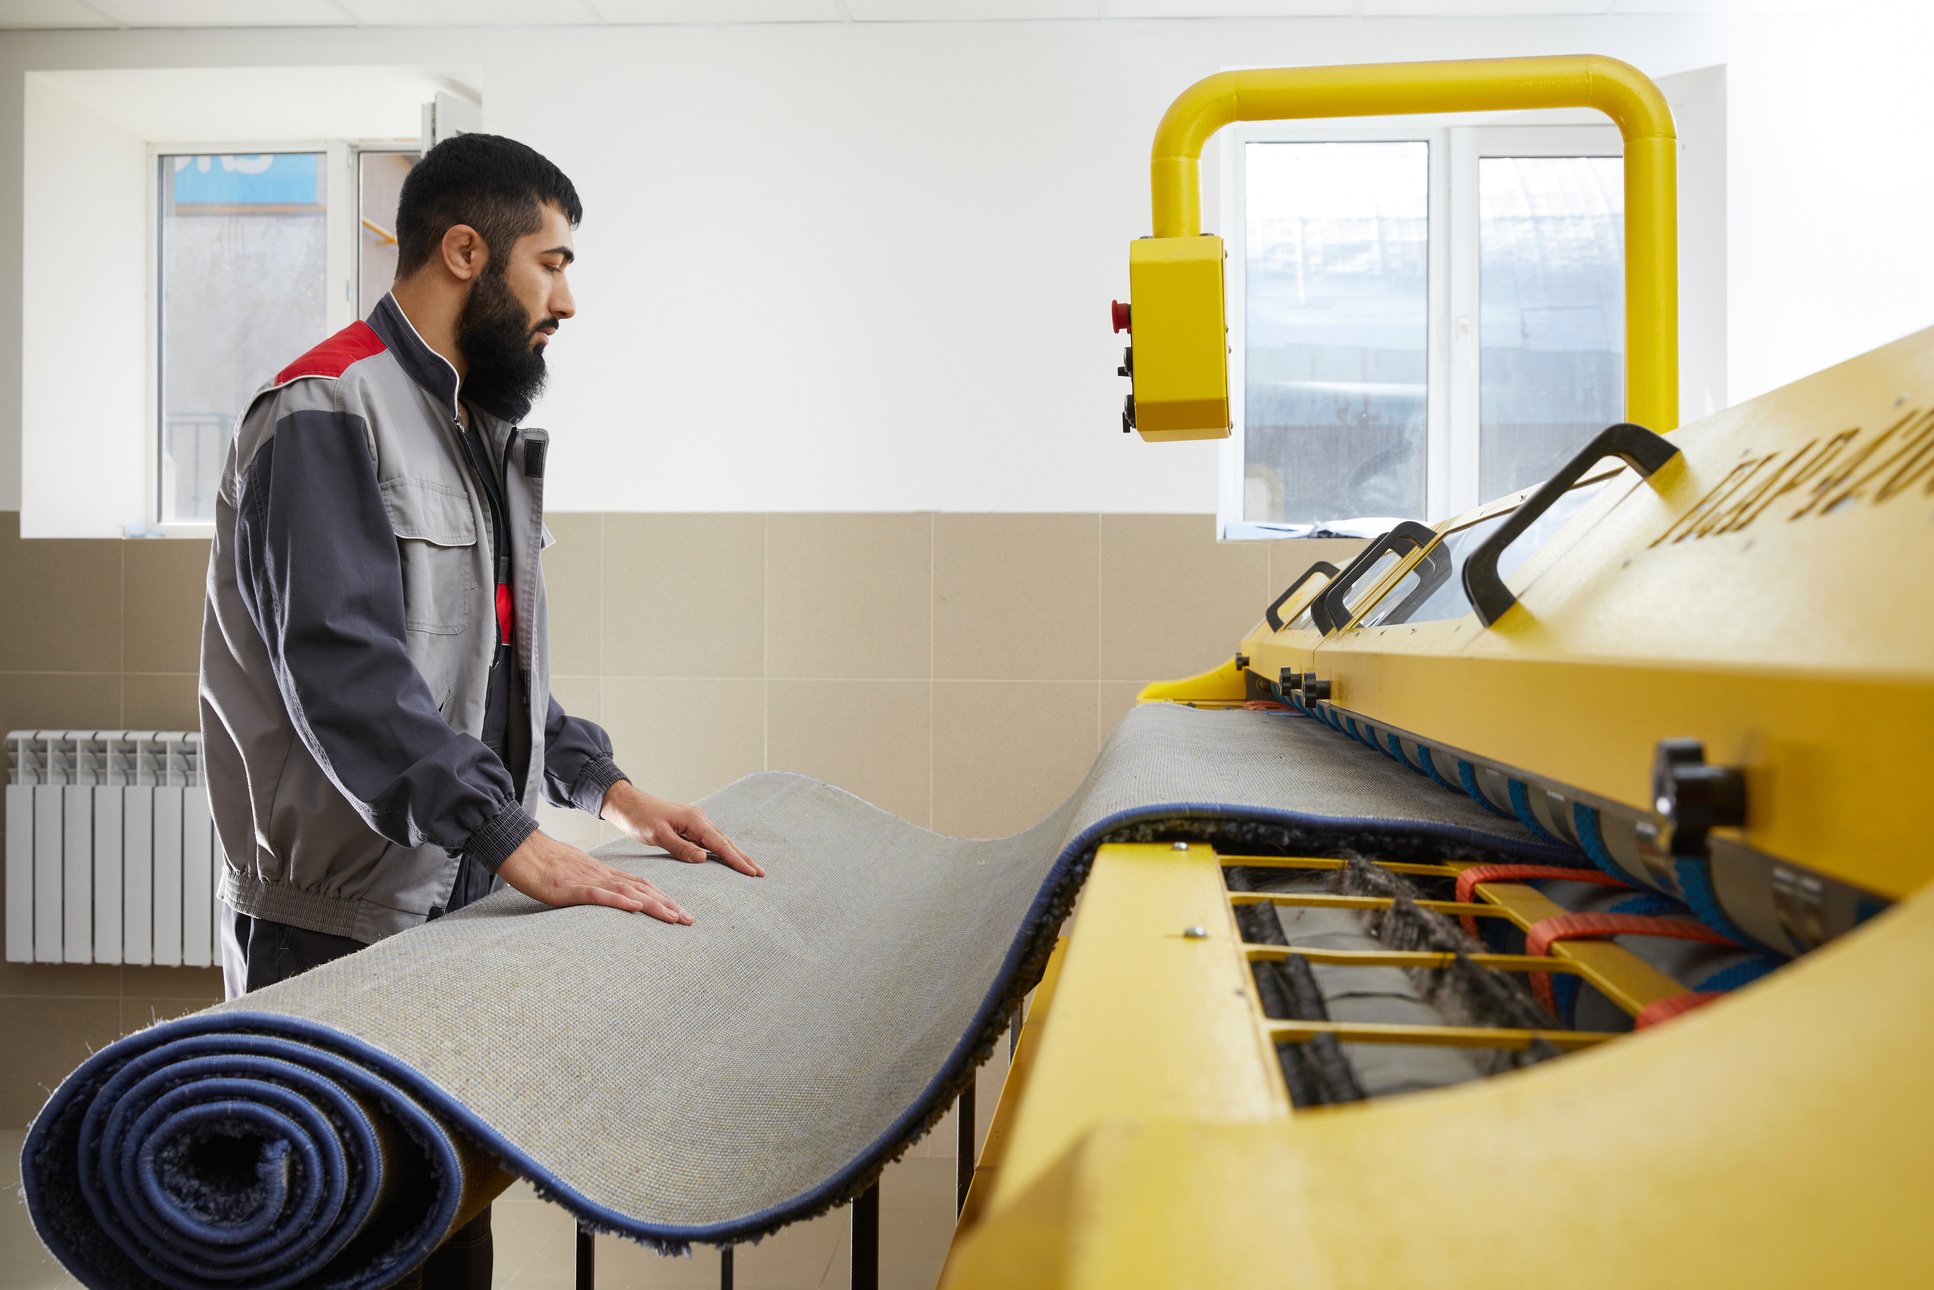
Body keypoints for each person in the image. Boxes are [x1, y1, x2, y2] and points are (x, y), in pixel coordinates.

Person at [197, 132, 761, 1288]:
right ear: (466, 251)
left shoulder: (476, 429)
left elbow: (492, 673)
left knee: (443, 1248)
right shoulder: (324, 411)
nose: (569, 299)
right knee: (342, 1250)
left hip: (440, 909)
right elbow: (345, 678)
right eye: (549, 264)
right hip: (330, 928)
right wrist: (514, 839)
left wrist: (606, 787)